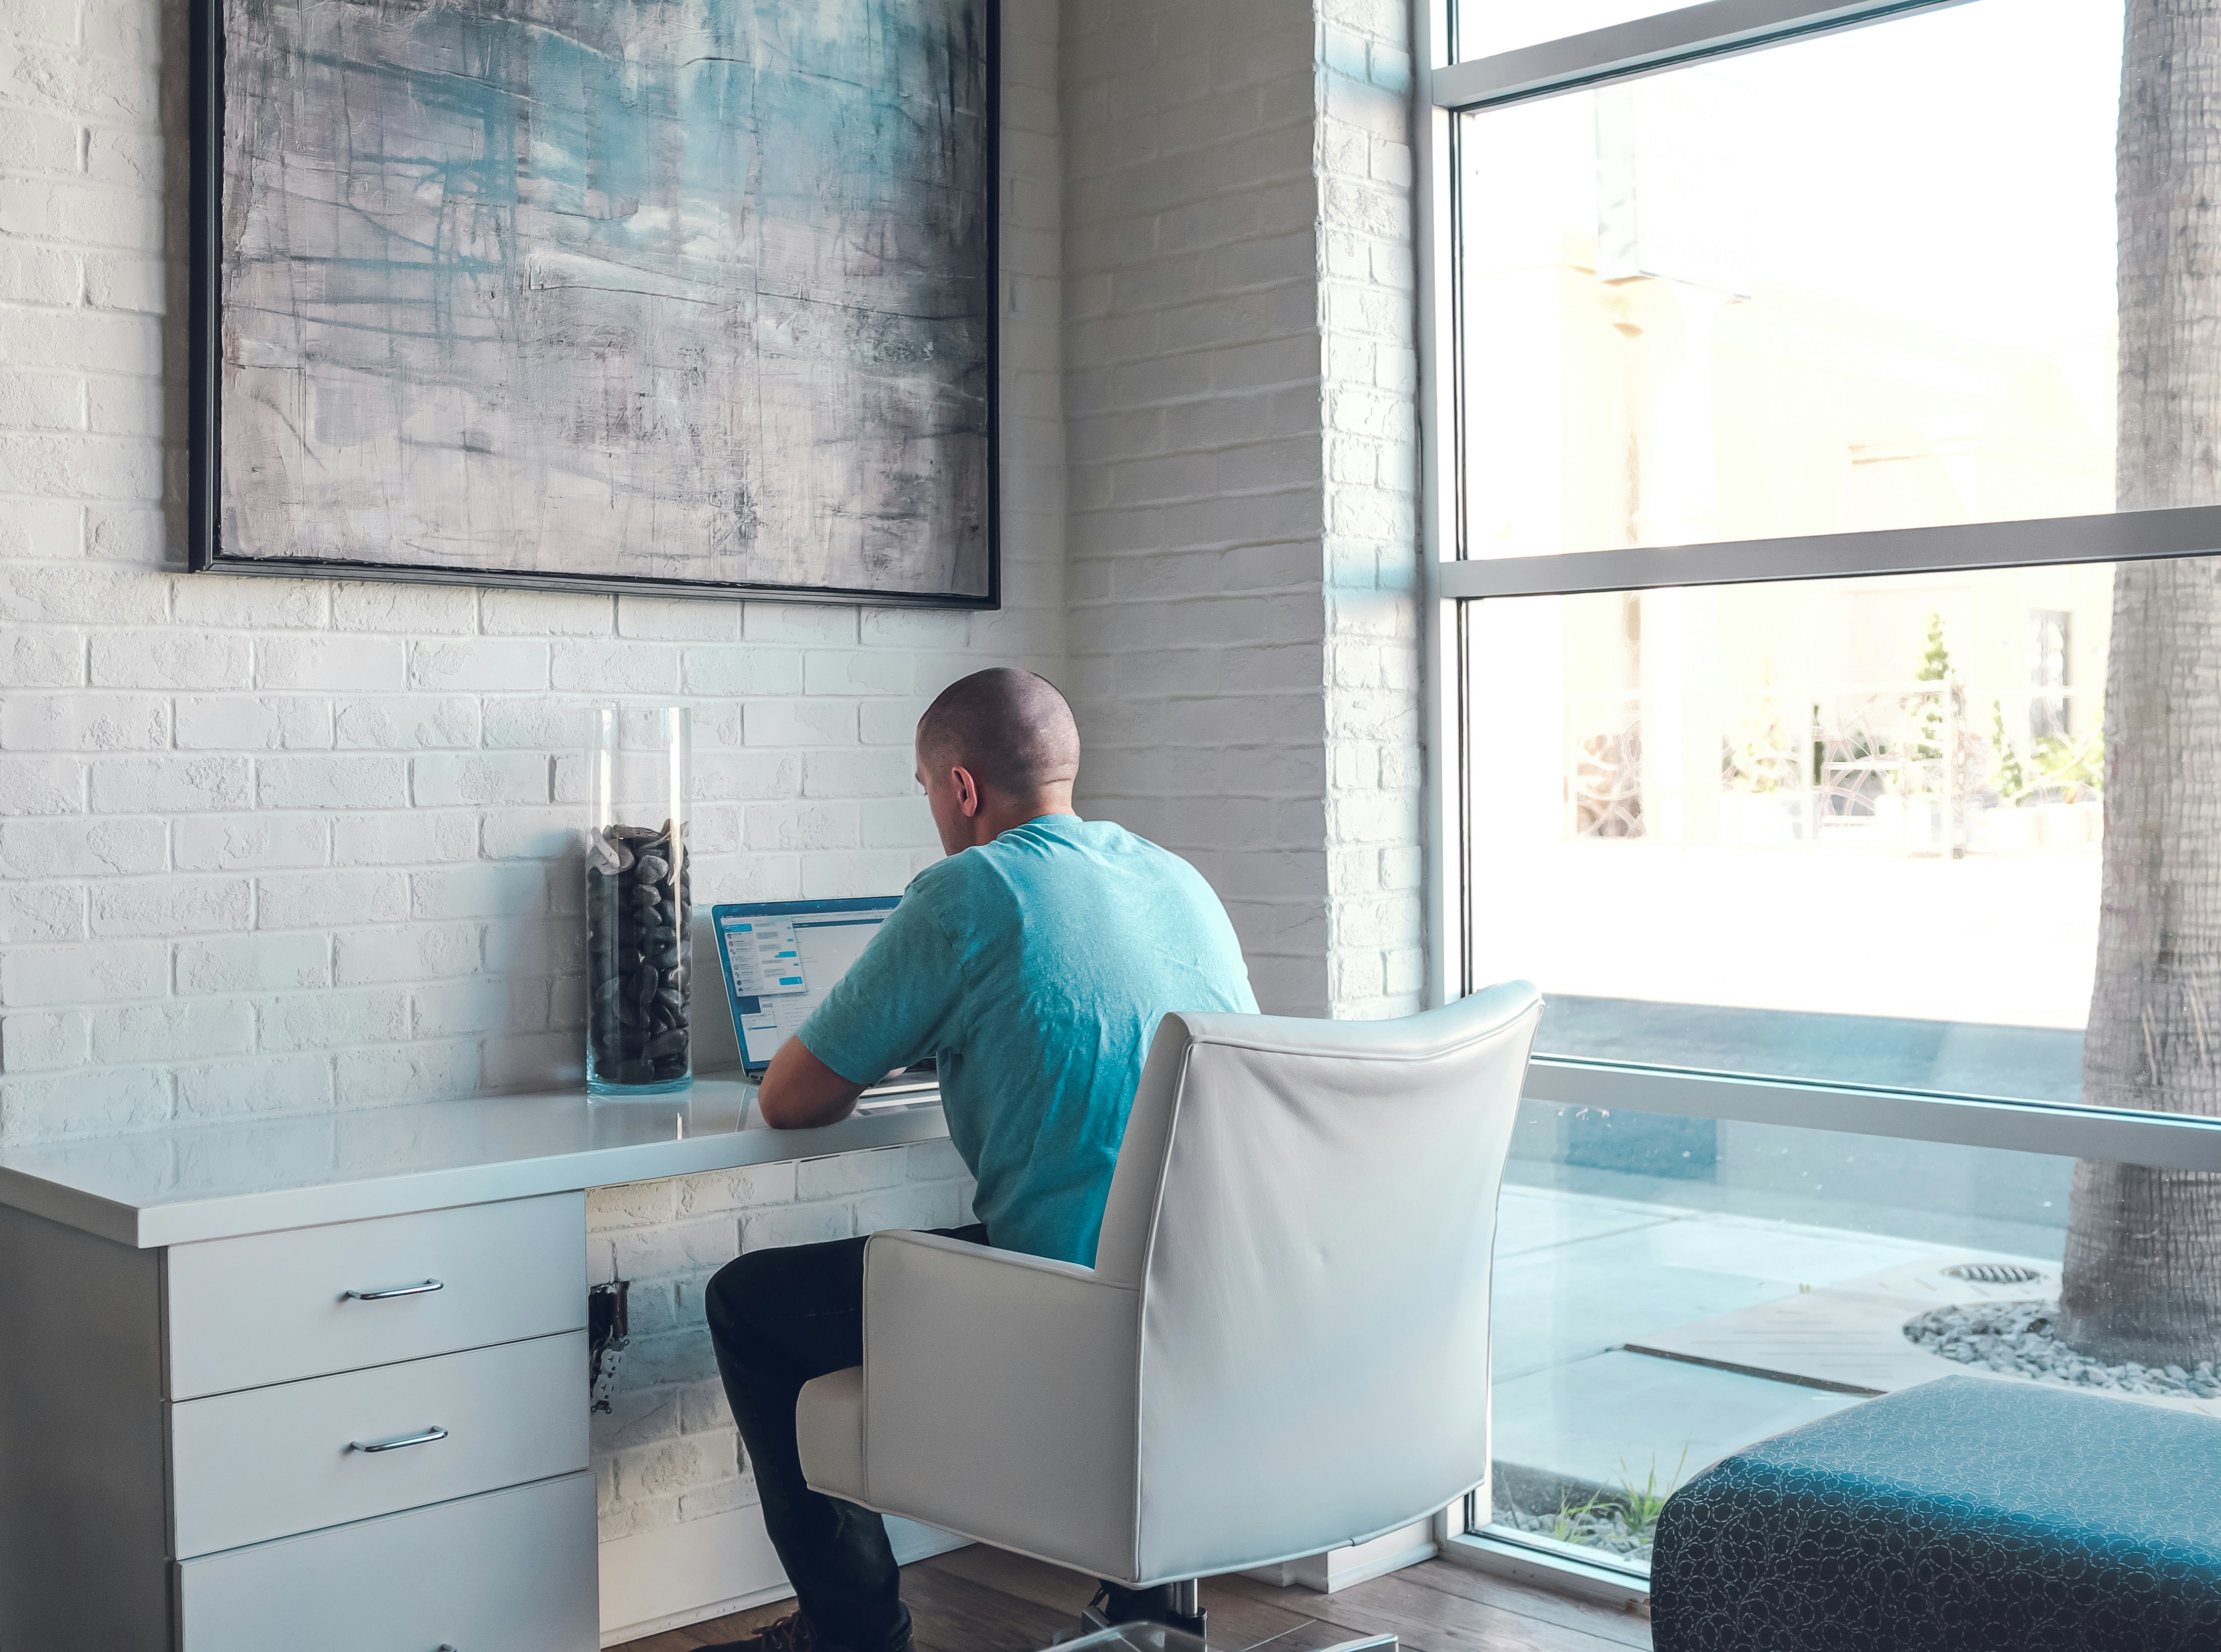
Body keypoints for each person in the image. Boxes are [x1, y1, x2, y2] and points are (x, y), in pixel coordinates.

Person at [700, 667, 1258, 1652]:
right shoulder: (1174, 878)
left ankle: (852, 1637)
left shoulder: (969, 889)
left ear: (960, 788)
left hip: (1070, 1315)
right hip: (1220, 1297)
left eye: (924, 791)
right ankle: (1144, 1606)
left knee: (750, 1300)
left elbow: (790, 1100)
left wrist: (904, 1033)